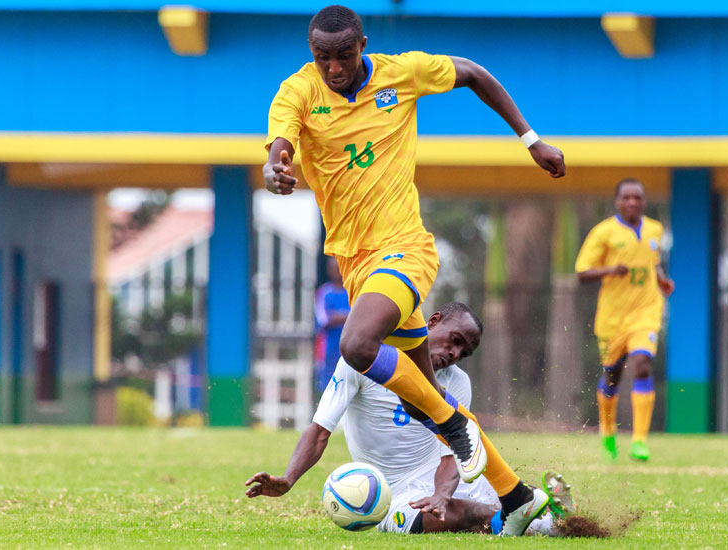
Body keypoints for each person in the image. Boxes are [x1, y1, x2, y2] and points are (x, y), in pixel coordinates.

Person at [262, 5, 565, 535]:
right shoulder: (299, 91)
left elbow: (472, 72)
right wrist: (275, 167)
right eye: (321, 57)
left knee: (357, 347)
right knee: (423, 390)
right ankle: (518, 499)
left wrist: (530, 140)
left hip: (404, 250)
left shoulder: (401, 73)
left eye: (341, 56)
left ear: (362, 46)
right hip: (357, 264)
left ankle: (454, 428)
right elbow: (281, 142)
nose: (331, 68)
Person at [246, 303, 574, 535]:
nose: (455, 354)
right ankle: (550, 527)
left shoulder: (457, 383)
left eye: (464, 353)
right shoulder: (364, 359)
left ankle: (556, 518)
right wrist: (288, 479)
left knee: (499, 497)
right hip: (390, 493)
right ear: (433, 321)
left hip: (440, 478)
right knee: (465, 513)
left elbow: (453, 451)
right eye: (455, 341)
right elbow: (320, 430)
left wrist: (442, 492)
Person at [575, 179, 675, 462]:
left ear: (643, 201)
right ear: (617, 201)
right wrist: (610, 269)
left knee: (643, 364)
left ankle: (640, 441)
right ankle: (607, 432)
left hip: (646, 312)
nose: (632, 202)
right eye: (627, 197)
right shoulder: (604, 232)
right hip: (612, 318)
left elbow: (652, 262)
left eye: (637, 198)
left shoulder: (655, 229)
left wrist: (662, 280)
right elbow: (581, 272)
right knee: (613, 374)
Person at [314, 257, 350, 394]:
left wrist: (336, 316)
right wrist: (348, 316)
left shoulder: (352, 291)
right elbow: (324, 320)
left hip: (349, 346)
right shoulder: (324, 292)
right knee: (329, 388)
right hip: (329, 349)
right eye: (332, 268)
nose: (336, 271)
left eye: (339, 267)